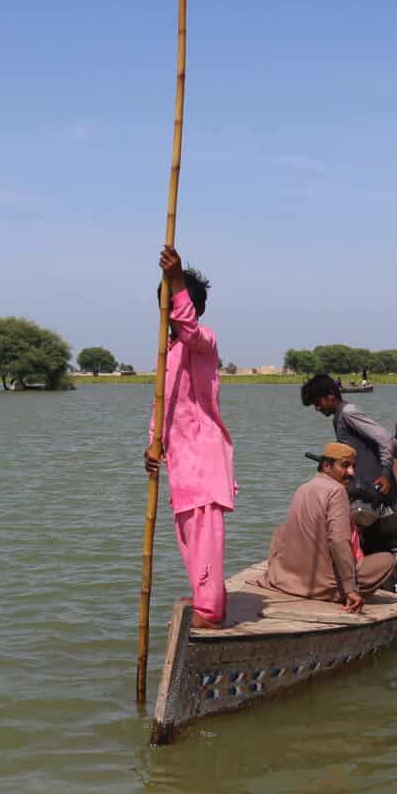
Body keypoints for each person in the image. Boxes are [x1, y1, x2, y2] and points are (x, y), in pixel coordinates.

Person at [143, 245, 235, 627]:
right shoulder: (168, 353)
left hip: (204, 459)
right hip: (182, 462)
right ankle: (204, 596)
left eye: (173, 303)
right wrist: (154, 444)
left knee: (204, 539)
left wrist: (178, 278)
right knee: (189, 538)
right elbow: (162, 406)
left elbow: (189, 326)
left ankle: (210, 611)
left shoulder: (203, 342)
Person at [264, 443, 397, 611]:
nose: (351, 472)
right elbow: (338, 541)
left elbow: (282, 533)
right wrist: (350, 589)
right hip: (322, 586)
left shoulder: (303, 488)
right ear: (327, 466)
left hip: (285, 579)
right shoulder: (336, 491)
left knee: (281, 531)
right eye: (345, 465)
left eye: (353, 467)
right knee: (388, 560)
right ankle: (338, 593)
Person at [300, 373, 397, 552]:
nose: (317, 408)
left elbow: (385, 439)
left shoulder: (348, 413)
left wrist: (386, 473)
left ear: (331, 395)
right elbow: (392, 443)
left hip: (374, 489)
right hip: (365, 488)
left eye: (318, 402)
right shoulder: (339, 417)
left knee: (374, 545)